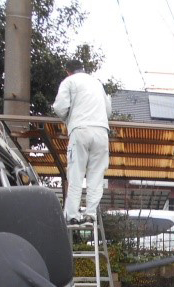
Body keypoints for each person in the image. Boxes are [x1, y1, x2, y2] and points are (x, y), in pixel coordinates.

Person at [52, 59, 111, 225]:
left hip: (80, 129)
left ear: (67, 71)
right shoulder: (97, 83)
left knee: (76, 173)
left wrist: (68, 118)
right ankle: (90, 214)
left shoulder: (69, 81)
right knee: (96, 175)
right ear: (82, 68)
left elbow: (60, 107)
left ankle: (72, 215)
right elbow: (108, 110)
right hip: (101, 132)